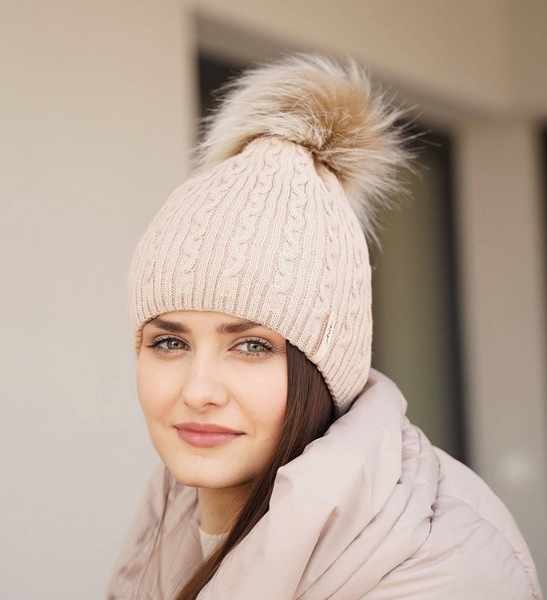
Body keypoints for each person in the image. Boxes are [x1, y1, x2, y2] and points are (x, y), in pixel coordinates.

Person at [106, 54, 542, 599]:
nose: (198, 392)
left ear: (322, 366)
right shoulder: (172, 506)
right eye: (169, 342)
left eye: (251, 346)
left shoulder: (441, 564)